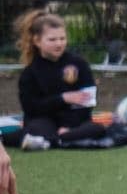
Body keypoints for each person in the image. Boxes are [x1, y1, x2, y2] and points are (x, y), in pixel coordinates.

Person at [13, 11, 115, 149]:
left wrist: (68, 126)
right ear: (37, 41)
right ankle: (56, 139)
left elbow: (88, 101)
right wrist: (63, 99)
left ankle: (57, 140)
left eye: (62, 38)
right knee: (38, 129)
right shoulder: (30, 72)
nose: (59, 44)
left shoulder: (79, 64)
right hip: (43, 121)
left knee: (98, 129)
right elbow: (31, 108)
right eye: (52, 40)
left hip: (75, 121)